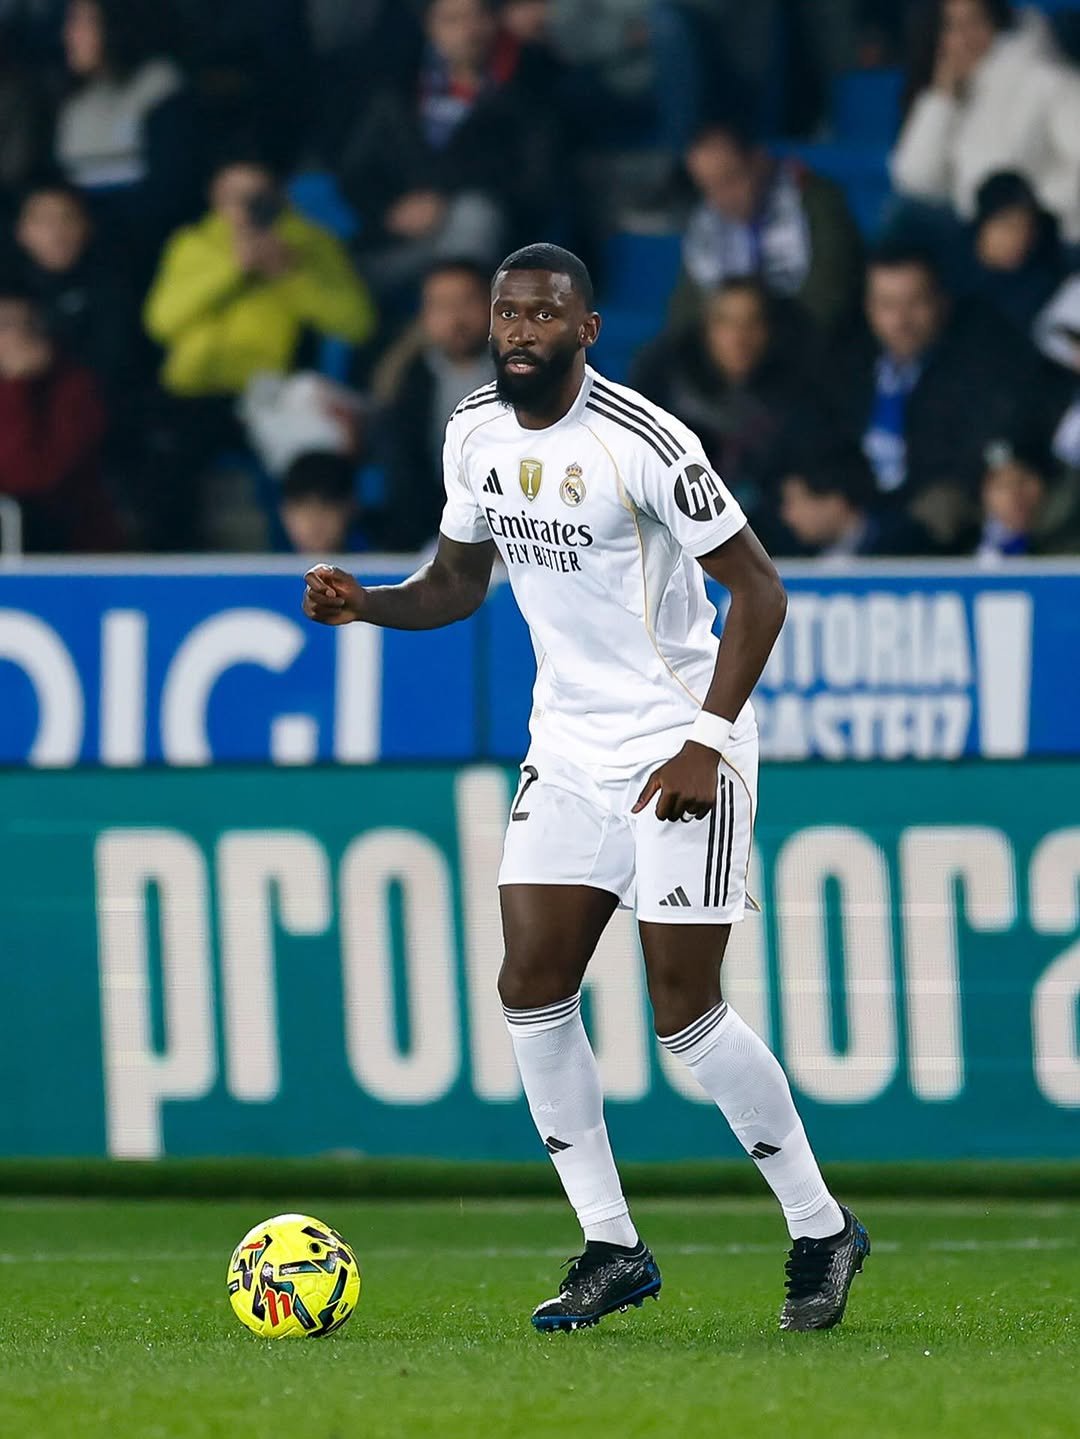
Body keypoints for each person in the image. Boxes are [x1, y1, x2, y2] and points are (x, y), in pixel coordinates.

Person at [302, 242, 871, 1333]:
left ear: (586, 330)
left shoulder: (643, 442)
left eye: (542, 315)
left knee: (683, 1012)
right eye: (506, 313)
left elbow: (759, 590)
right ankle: (611, 1243)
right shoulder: (472, 430)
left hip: (677, 745)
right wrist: (368, 603)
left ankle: (820, 1226)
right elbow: (459, 581)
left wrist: (708, 738)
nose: (518, 330)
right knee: (530, 984)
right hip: (565, 749)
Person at [141, 150, 375, 549]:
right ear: (216, 197)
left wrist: (290, 274)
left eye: (258, 195)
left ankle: (301, 568)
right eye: (236, 196)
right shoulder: (192, 245)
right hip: (195, 394)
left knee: (311, 468)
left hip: (271, 395)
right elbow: (160, 322)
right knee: (162, 462)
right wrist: (233, 268)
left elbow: (357, 322)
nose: (247, 207)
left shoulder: (309, 243)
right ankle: (174, 571)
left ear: (279, 196)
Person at [337, 0, 557, 303]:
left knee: (474, 214)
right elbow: (355, 173)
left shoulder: (530, 90)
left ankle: (452, 330)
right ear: (430, 27)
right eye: (453, 20)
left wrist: (444, 199)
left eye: (479, 16)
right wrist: (391, 211)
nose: (470, 31)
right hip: (401, 243)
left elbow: (538, 184)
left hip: (493, 248)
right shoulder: (395, 92)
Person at [830, 245, 1041, 539]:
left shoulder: (977, 369)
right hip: (854, 517)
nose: (901, 321)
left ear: (942, 302)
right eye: (887, 305)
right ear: (869, 307)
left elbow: (986, 448)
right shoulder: (845, 365)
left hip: (932, 526)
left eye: (915, 303)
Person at [633, 278, 827, 523]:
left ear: (768, 330)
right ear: (707, 329)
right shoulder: (664, 388)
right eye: (726, 323)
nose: (739, 337)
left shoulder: (799, 394)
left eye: (752, 323)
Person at [891, 0, 1080, 244]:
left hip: (1049, 242)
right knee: (904, 218)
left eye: (975, 22)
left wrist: (1036, 218)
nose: (965, 38)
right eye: (951, 27)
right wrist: (942, 101)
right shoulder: (947, 97)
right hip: (979, 245)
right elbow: (917, 180)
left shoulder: (1045, 81)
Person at [668, 120, 863, 338]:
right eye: (708, 187)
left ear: (759, 161)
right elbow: (685, 312)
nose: (721, 199)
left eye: (730, 179)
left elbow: (828, 294)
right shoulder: (706, 223)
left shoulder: (815, 201)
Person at [54, 0, 203, 283]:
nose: (68, 35)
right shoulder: (75, 102)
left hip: (145, 258)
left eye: (83, 23)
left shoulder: (161, 90)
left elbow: (171, 194)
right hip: (78, 255)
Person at [371, 258, 496, 550]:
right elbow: (403, 477)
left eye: (467, 302)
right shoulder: (403, 384)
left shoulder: (535, 377)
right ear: (425, 316)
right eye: (442, 306)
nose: (456, 317)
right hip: (427, 537)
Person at [0, 285, 118, 551]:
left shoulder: (74, 387)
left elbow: (31, 477)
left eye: (14, 326)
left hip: (66, 543)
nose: (10, 337)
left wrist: (17, 387)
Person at [11, 177, 139, 404]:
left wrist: (50, 361)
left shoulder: (112, 289)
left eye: (67, 218)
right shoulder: (9, 292)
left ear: (87, 226)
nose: (56, 232)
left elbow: (115, 368)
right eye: (43, 220)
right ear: (21, 230)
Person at [778, 445, 933, 559]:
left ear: (835, 503)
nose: (787, 515)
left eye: (794, 502)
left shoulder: (905, 548)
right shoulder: (785, 552)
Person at [962, 170, 1062, 337]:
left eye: (1029, 227)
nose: (1020, 238)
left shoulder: (1044, 280)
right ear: (983, 226)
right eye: (1009, 226)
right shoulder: (947, 266)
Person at [975, 435, 1080, 559]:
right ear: (985, 495)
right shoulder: (965, 549)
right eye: (1001, 486)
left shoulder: (1071, 548)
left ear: (1046, 484)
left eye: (1022, 482)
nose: (1014, 495)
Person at [278, 451, 359, 555]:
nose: (315, 521)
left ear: (350, 509)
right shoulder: (265, 566)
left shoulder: (377, 564)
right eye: (304, 508)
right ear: (284, 512)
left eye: (326, 507)